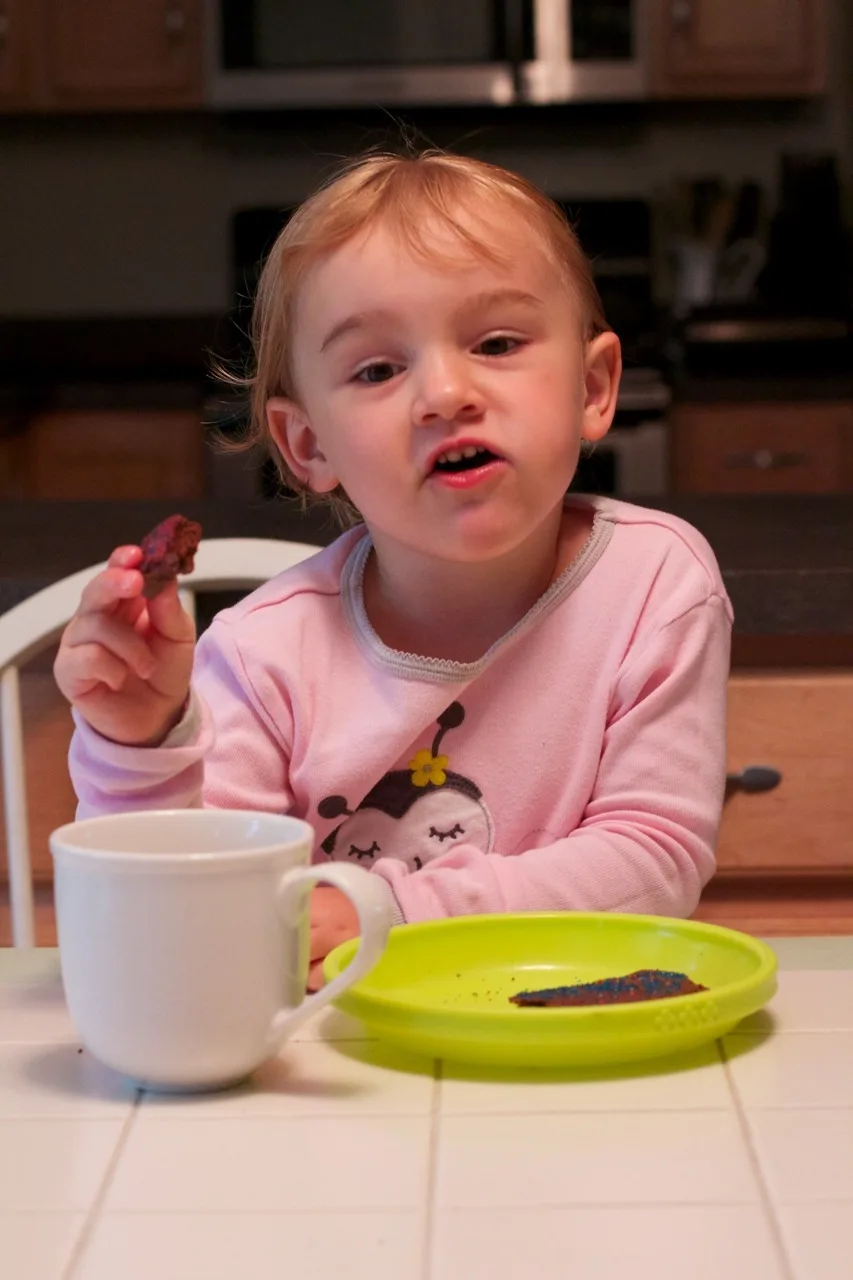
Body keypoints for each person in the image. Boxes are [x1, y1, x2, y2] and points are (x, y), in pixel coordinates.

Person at [54, 149, 732, 988]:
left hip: (567, 1056)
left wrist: (392, 914)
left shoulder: (652, 584)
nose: (444, 393)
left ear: (593, 387)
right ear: (308, 446)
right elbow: (182, 921)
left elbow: (652, 856)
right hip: (340, 1072)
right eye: (377, 369)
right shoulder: (262, 654)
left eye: (495, 341)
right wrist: (139, 741)